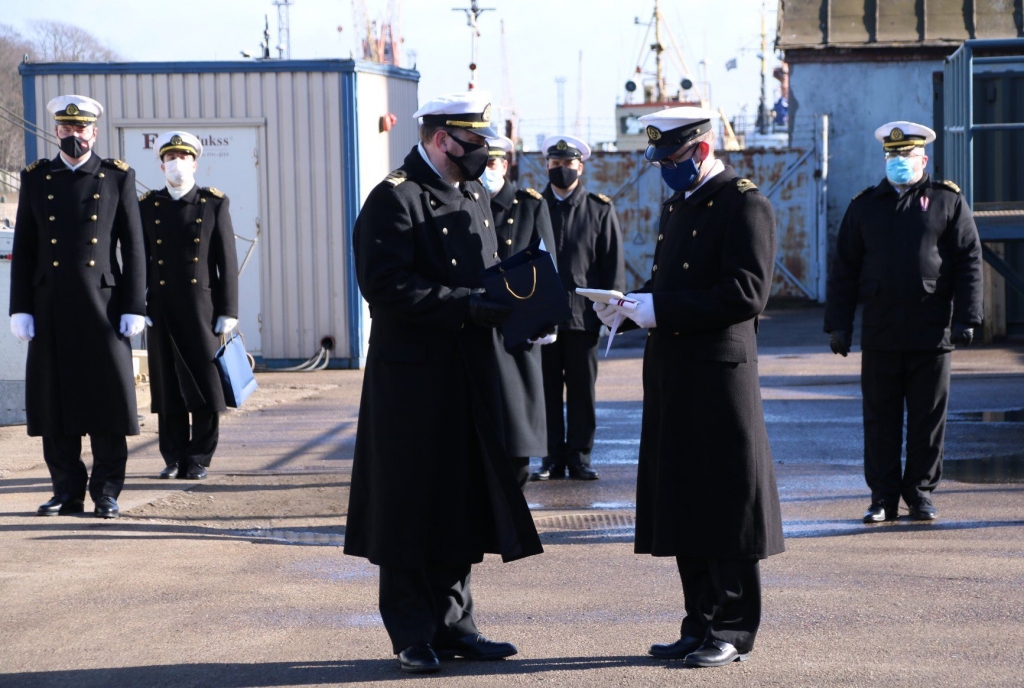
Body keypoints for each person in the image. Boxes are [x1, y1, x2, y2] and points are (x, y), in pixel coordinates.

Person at [343, 91, 543, 674]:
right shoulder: (393, 199)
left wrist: (523, 303)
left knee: (458, 500)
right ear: (440, 140)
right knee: (408, 505)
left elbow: (487, 276)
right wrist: (467, 306)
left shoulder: (474, 194)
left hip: (468, 373)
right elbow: (386, 287)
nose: (483, 156)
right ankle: (412, 632)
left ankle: (456, 625)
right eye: (473, 145)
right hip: (411, 382)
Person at [595, 107, 784, 667]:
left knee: (725, 505)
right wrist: (628, 307)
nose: (664, 171)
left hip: (719, 378)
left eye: (672, 160)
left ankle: (732, 627)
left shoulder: (745, 204)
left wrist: (660, 307)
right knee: (686, 501)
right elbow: (672, 281)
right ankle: (698, 620)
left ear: (700, 152)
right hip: (676, 374)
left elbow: (745, 293)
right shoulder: (681, 203)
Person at [825, 120, 983, 524]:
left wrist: (967, 317)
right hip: (881, 331)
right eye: (893, 156)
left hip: (932, 331)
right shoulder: (865, 205)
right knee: (880, 420)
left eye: (907, 156)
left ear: (923, 159)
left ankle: (920, 493)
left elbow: (968, 260)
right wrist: (838, 325)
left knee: (928, 420)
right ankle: (882, 498)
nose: (899, 163)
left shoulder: (947, 201)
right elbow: (844, 268)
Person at [8, 95, 146, 519]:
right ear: (56, 132)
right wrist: (21, 307)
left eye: (81, 128)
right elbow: (25, 247)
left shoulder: (116, 177)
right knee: (55, 404)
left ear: (94, 132)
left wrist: (133, 304)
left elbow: (134, 247)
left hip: (103, 306)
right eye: (66, 129)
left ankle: (106, 492)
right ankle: (66, 491)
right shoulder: (37, 178)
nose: (74, 136)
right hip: (50, 304)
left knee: (106, 401)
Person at [139, 131, 239, 481]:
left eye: (183, 158)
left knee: (205, 385)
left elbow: (226, 260)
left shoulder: (213, 203)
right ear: (162, 165)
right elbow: (141, 261)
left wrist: (229, 310)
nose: (177, 164)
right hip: (162, 307)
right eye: (170, 159)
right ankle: (173, 455)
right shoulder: (148, 206)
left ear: (195, 163)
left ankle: (198, 458)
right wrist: (138, 305)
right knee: (167, 387)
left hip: (202, 309)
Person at [531, 134, 624, 482]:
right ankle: (552, 457)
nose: (562, 170)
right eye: (555, 165)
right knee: (547, 390)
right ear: (547, 167)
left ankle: (580, 457)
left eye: (568, 165)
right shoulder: (534, 206)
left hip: (585, 318)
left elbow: (612, 264)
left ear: (580, 167)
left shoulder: (600, 209)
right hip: (545, 319)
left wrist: (613, 313)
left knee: (583, 391)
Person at [481, 135, 558, 488]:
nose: (487, 171)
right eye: (483, 164)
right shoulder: (467, 201)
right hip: (478, 318)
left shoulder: (528, 204)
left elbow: (546, 260)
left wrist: (547, 316)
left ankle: (516, 489)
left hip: (518, 321)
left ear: (505, 164)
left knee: (518, 420)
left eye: (493, 163)